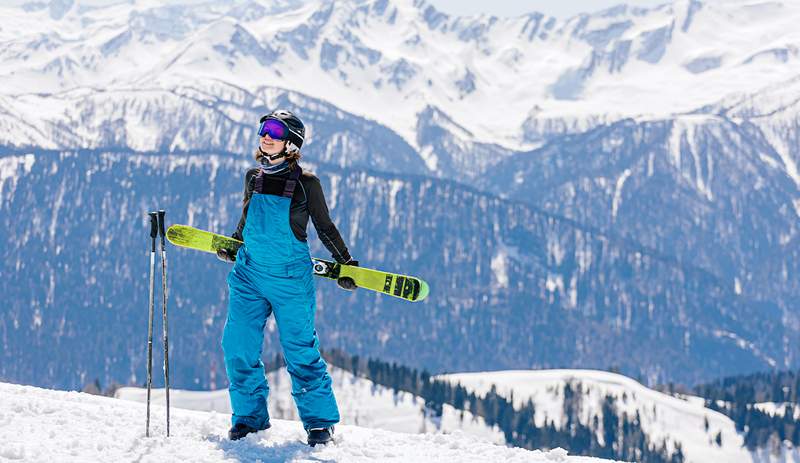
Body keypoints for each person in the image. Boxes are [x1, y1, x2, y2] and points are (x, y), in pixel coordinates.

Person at [216, 109, 357, 446]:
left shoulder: (307, 185)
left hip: (290, 279)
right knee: (237, 345)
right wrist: (235, 245)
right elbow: (247, 218)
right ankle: (249, 418)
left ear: (291, 143)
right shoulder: (254, 177)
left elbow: (325, 227)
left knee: (300, 350)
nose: (267, 136)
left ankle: (320, 422)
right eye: (264, 129)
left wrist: (346, 264)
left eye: (276, 132)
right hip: (249, 274)